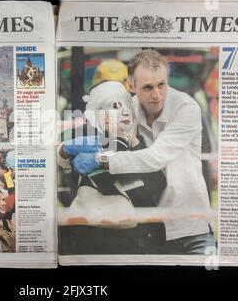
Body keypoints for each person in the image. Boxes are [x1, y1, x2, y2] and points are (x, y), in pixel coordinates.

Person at [69, 49, 215, 255]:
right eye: (147, 87)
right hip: (149, 229)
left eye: (162, 84)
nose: (157, 95)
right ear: (131, 86)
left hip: (191, 227)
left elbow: (155, 158)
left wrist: (99, 159)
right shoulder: (126, 109)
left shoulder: (186, 107)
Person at [58, 81, 167, 254]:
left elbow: (158, 185)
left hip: (138, 237)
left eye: (121, 104)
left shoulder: (138, 140)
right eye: (110, 106)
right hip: (94, 235)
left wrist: (132, 142)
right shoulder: (87, 139)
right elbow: (97, 176)